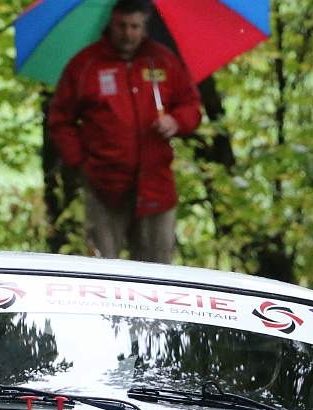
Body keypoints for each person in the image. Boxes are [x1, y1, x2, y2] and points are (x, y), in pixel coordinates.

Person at [47, 0, 201, 264]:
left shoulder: (162, 60)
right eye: (122, 26)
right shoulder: (85, 65)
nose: (128, 33)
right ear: (111, 22)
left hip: (156, 186)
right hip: (104, 185)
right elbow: (60, 120)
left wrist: (176, 122)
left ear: (145, 26)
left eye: (135, 26)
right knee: (103, 269)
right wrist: (80, 162)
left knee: (158, 271)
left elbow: (191, 105)